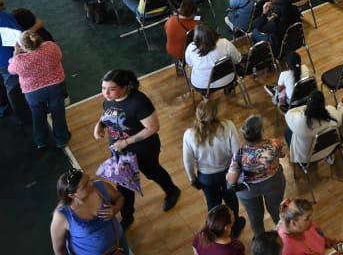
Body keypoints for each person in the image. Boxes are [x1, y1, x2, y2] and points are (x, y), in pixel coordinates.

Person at [94, 69, 181, 228]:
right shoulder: (108, 99)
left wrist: (125, 142)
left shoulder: (139, 102)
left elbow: (153, 128)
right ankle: (127, 216)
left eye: (111, 89)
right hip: (120, 152)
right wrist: (99, 125)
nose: (105, 93)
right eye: (103, 88)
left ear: (125, 87)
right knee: (124, 185)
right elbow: (106, 112)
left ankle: (172, 191)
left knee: (152, 172)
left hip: (143, 149)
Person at [183, 99, 246, 237]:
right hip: (228, 173)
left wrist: (192, 179)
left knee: (213, 205)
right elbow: (237, 153)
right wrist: (237, 172)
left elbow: (188, 162)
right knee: (231, 202)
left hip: (206, 177)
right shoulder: (228, 126)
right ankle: (234, 228)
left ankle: (216, 232)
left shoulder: (189, 134)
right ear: (216, 114)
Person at [227, 115, 288, 236]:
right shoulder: (275, 144)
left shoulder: (240, 153)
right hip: (274, 183)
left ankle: (260, 239)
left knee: (255, 216)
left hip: (249, 190)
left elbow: (231, 179)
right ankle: (284, 234)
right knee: (276, 211)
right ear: (261, 132)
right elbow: (282, 155)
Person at [7, 29, 68, 149]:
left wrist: (16, 54)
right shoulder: (50, 46)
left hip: (33, 92)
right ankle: (61, 139)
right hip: (56, 85)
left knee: (37, 115)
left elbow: (10, 70)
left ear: (23, 46)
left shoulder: (19, 61)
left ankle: (41, 141)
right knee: (58, 112)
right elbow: (59, 56)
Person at [50, 168, 127, 255]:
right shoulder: (62, 215)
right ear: (72, 195)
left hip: (119, 247)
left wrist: (115, 208)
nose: (91, 184)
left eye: (88, 180)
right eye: (85, 185)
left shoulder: (101, 187)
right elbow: (59, 249)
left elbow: (120, 197)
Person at [284, 90, 341, 162]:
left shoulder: (300, 121)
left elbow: (288, 114)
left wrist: (306, 107)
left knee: (287, 131)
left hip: (307, 157)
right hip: (329, 149)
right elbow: (339, 121)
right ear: (323, 104)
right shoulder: (332, 113)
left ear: (309, 104)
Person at [276, 198, 343, 255]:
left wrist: (329, 241)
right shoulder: (287, 249)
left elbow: (318, 237)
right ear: (293, 223)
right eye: (307, 219)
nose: (311, 221)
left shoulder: (306, 226)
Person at [186, 26, 243, 92]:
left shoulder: (191, 48)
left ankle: (206, 96)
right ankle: (229, 87)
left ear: (197, 40)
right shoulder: (225, 43)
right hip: (228, 79)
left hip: (202, 86)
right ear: (213, 33)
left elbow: (190, 63)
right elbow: (238, 59)